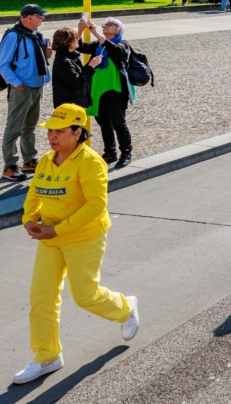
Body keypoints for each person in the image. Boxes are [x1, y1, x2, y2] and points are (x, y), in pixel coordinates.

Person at [13, 103, 139, 385]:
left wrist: (57, 229)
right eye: (50, 131)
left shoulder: (91, 162)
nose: (52, 136)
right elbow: (34, 194)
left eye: (59, 131)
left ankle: (125, 308)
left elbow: (96, 206)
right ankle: (47, 356)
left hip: (84, 237)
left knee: (85, 295)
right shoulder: (46, 160)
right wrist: (29, 219)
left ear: (77, 132)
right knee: (41, 299)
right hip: (49, 239)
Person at [0, 4, 53, 181]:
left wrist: (47, 55)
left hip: (37, 87)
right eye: (40, 16)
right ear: (28, 17)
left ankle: (29, 160)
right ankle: (10, 166)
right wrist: (17, 83)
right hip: (21, 89)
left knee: (29, 126)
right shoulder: (13, 36)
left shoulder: (35, 36)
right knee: (14, 127)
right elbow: (3, 65)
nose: (42, 19)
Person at [81, 18, 135, 169]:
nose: (106, 26)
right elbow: (80, 47)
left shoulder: (122, 43)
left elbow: (117, 50)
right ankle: (110, 153)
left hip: (115, 90)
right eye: (104, 25)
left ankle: (126, 153)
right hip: (98, 90)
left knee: (118, 122)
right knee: (104, 123)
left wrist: (97, 34)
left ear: (118, 30)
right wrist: (80, 30)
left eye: (110, 25)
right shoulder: (98, 45)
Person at [50, 27, 101, 109]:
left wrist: (93, 63)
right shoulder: (64, 62)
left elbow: (80, 75)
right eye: (75, 38)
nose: (78, 39)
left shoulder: (71, 57)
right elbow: (77, 82)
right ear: (68, 42)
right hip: (70, 107)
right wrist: (91, 66)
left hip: (75, 104)